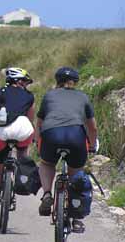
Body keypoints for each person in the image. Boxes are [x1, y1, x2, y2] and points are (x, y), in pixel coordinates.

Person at [35, 67, 98, 233]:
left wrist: (37, 141)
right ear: (75, 82)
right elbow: (93, 127)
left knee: (47, 163)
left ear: (57, 81)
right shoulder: (83, 97)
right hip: (75, 135)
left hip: (51, 134)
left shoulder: (49, 95)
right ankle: (76, 218)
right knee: (76, 173)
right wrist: (91, 145)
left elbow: (40, 122)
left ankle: (47, 194)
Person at [0, 67, 35, 218]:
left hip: (0, 132)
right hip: (21, 132)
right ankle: (22, 170)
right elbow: (30, 119)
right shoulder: (29, 96)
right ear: (18, 81)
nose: (26, 85)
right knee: (23, 153)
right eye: (25, 82)